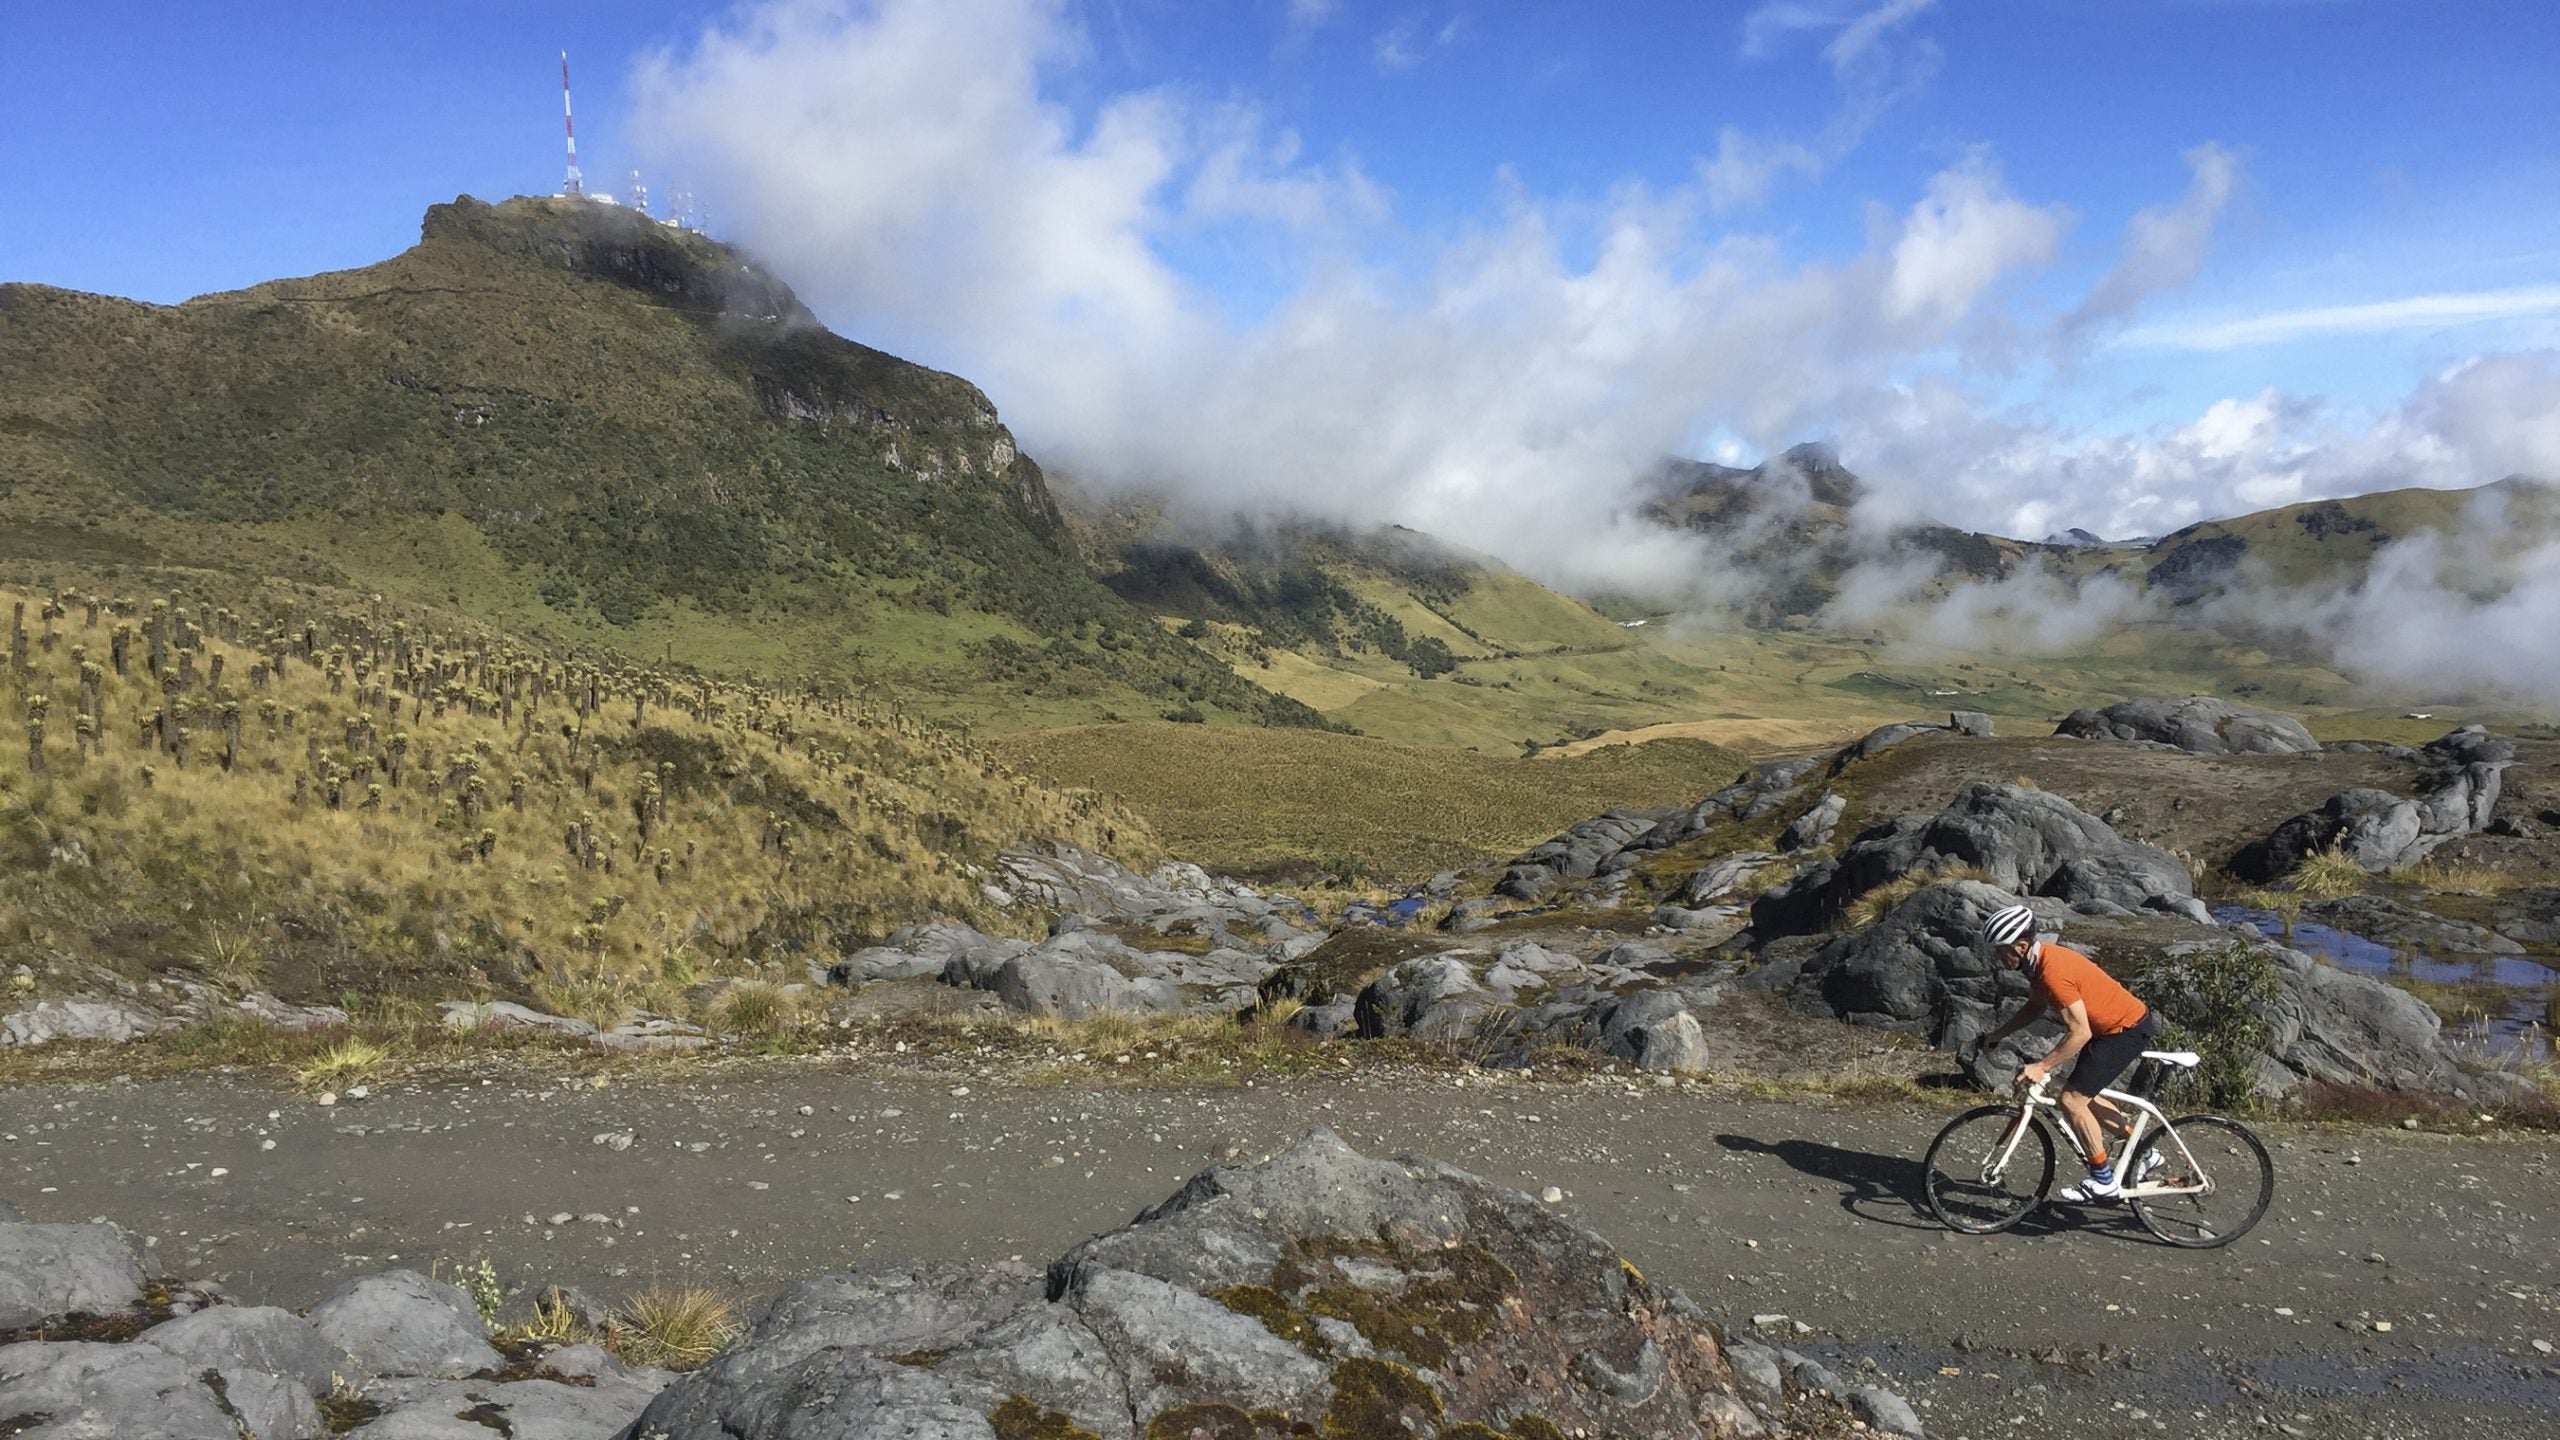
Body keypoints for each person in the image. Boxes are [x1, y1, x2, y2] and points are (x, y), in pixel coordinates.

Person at [1969, 903, 2165, 1201]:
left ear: (2021, 946)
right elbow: (2035, 1006)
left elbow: (2080, 1031)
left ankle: (2103, 1180)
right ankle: (2145, 1152)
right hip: (2112, 1029)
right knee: (2082, 1094)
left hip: (2125, 1030)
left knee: (2071, 1100)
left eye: (2000, 950)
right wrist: (1999, 1034)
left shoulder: (2052, 972)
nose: (1997, 957)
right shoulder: (2037, 965)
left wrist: (2042, 1066)